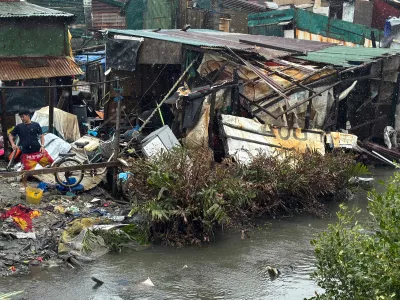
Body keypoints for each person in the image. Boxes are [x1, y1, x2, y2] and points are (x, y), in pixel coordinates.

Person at [8, 111, 53, 190]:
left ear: (28, 116)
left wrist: (42, 146)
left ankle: (58, 180)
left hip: (38, 151)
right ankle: (24, 186)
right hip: (26, 153)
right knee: (25, 171)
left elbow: (41, 135)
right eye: (21, 117)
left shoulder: (36, 125)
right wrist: (12, 144)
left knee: (51, 163)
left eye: (23, 116)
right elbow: (10, 135)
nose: (22, 118)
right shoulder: (19, 127)